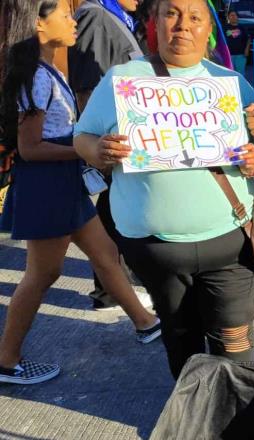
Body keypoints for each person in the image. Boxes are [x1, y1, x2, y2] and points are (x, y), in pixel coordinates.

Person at [73, 0, 254, 379]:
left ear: (210, 28)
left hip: (229, 246)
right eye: (172, 14)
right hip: (156, 251)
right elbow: (82, 137)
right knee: (182, 345)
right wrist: (98, 149)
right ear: (154, 22)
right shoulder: (123, 80)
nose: (182, 26)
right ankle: (192, 417)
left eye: (195, 17)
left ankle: (238, 420)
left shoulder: (229, 83)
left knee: (236, 350)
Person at [0, 0, 162, 385]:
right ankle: (6, 359)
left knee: (105, 253)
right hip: (48, 185)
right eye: (66, 15)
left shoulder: (46, 70)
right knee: (43, 273)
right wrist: (87, 148)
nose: (75, 21)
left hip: (63, 181)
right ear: (39, 26)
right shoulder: (38, 77)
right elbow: (30, 148)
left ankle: (146, 323)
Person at [69, 0, 155, 313]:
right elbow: (87, 86)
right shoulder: (95, 16)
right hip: (111, 142)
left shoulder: (117, 17)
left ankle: (118, 286)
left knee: (115, 211)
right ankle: (110, 292)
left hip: (127, 138)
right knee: (110, 211)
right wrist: (96, 142)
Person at [225, 10, 250, 75]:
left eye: (235, 15)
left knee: (240, 74)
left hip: (240, 54)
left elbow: (248, 39)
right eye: (231, 15)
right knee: (230, 74)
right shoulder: (224, 27)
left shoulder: (242, 27)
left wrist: (247, 50)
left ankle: (240, 85)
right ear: (228, 17)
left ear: (237, 17)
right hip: (229, 54)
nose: (233, 17)